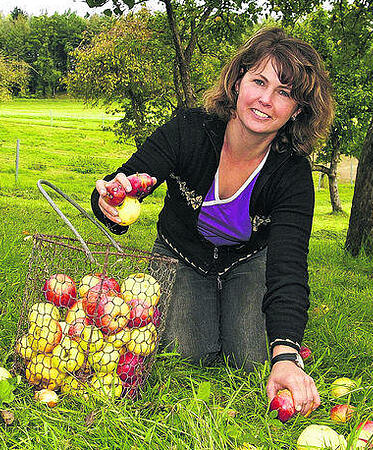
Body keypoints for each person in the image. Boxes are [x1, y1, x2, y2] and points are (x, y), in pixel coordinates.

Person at [91, 27, 334, 415]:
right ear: (238, 81)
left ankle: (249, 317)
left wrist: (287, 353)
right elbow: (124, 181)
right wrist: (111, 200)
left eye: (284, 93)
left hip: (246, 262)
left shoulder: (292, 174)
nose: (266, 100)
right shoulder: (188, 131)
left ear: (297, 111)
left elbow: (288, 266)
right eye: (259, 81)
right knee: (190, 353)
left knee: (254, 362)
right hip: (181, 254)